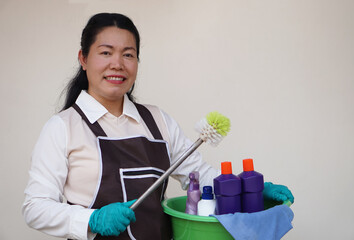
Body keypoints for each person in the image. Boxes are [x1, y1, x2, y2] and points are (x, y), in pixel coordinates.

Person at [22, 13, 294, 240]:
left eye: (128, 54)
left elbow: (198, 176)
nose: (117, 64)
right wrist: (92, 219)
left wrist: (249, 190)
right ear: (83, 58)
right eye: (105, 52)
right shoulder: (63, 127)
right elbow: (35, 207)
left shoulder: (157, 121)